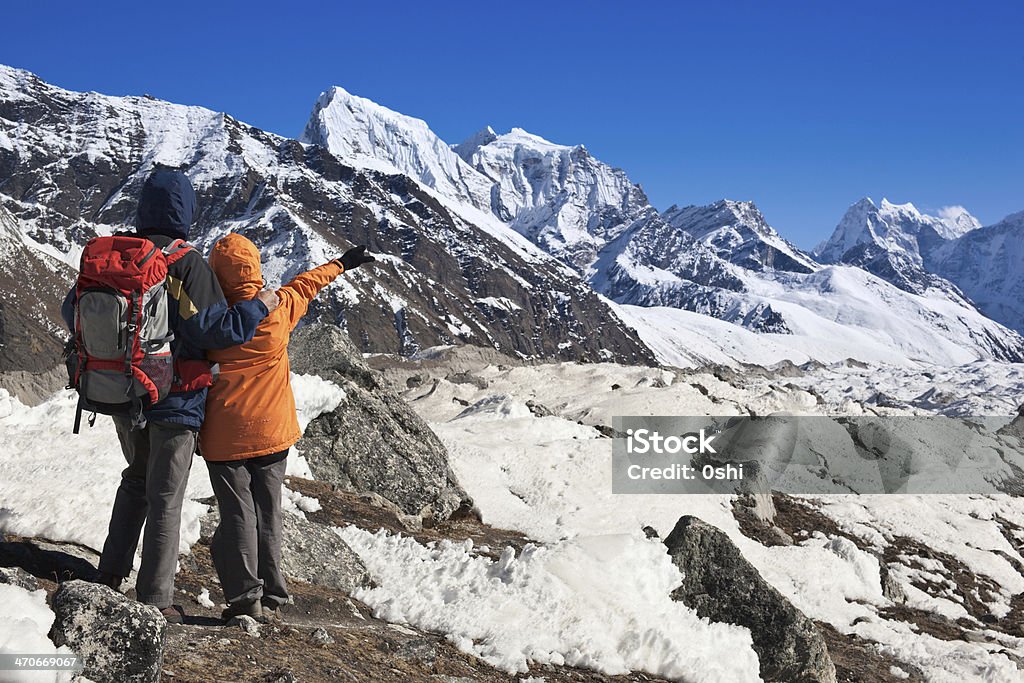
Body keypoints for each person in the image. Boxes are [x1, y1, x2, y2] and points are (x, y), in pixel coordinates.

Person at [62, 168, 281, 622]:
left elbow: (72, 309)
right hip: (176, 400)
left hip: (124, 390)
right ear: (186, 211)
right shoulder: (186, 262)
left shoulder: (118, 255)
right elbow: (215, 328)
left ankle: (109, 575)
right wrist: (260, 306)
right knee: (167, 496)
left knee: (137, 481)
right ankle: (155, 601)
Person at [200, 232, 375, 622]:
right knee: (269, 511)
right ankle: (275, 596)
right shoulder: (277, 309)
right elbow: (306, 284)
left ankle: (246, 600)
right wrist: (342, 263)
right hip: (274, 430)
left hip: (226, 436)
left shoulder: (211, 320)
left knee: (238, 515)